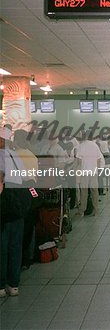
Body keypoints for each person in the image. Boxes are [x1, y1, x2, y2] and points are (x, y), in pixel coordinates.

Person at [0, 127, 32, 298]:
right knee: (15, 245)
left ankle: (0, 284)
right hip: (18, 205)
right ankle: (13, 285)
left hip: (4, 204)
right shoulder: (15, 156)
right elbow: (24, 178)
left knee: (2, 245)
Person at [13, 129, 39, 270]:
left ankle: (18, 259)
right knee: (30, 225)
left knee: (18, 228)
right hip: (32, 191)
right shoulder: (31, 155)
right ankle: (27, 258)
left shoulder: (13, 156)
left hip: (18, 193)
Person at [75, 131, 103, 217]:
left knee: (84, 192)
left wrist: (76, 172)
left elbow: (79, 162)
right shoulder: (95, 146)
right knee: (94, 191)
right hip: (93, 172)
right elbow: (99, 159)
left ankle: (82, 211)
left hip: (85, 172)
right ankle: (96, 210)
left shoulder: (81, 146)